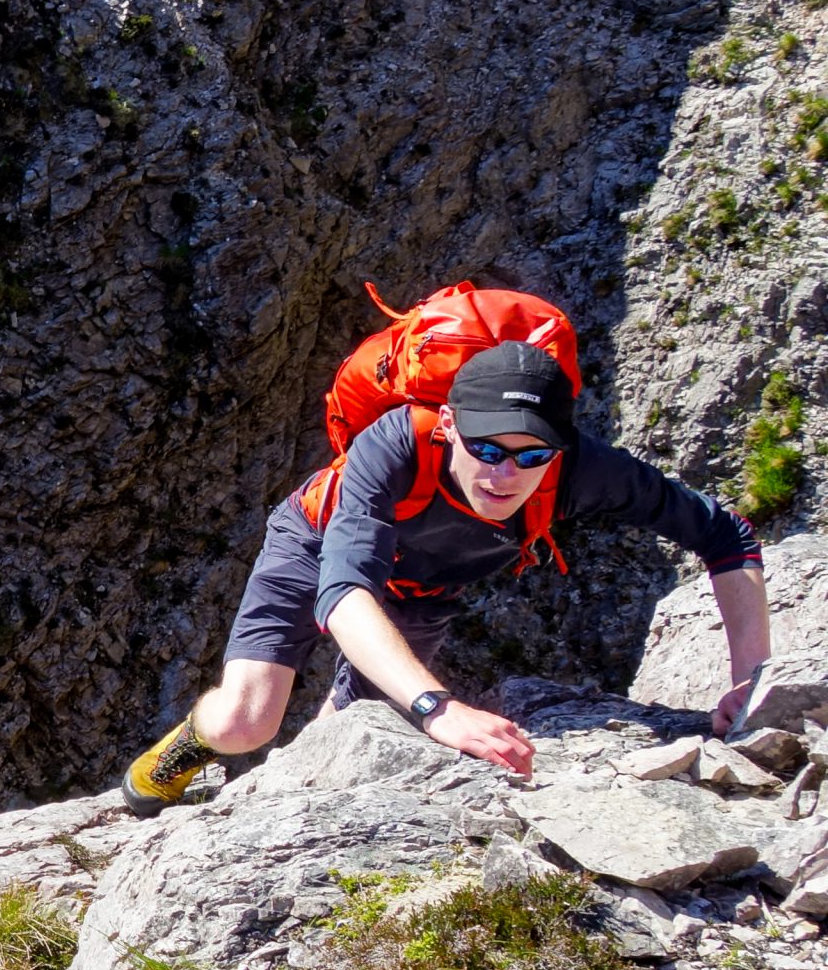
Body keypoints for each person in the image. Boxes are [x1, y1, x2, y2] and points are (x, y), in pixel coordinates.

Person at [121, 338, 771, 814]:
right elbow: (345, 594)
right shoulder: (395, 446)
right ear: (451, 427)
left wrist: (753, 686)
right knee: (247, 721)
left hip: (427, 589)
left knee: (351, 739)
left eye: (530, 456)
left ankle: (271, 809)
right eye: (486, 449)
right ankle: (175, 759)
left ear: (559, 449)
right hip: (317, 544)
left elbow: (726, 534)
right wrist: (438, 708)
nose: (504, 474)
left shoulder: (583, 471)